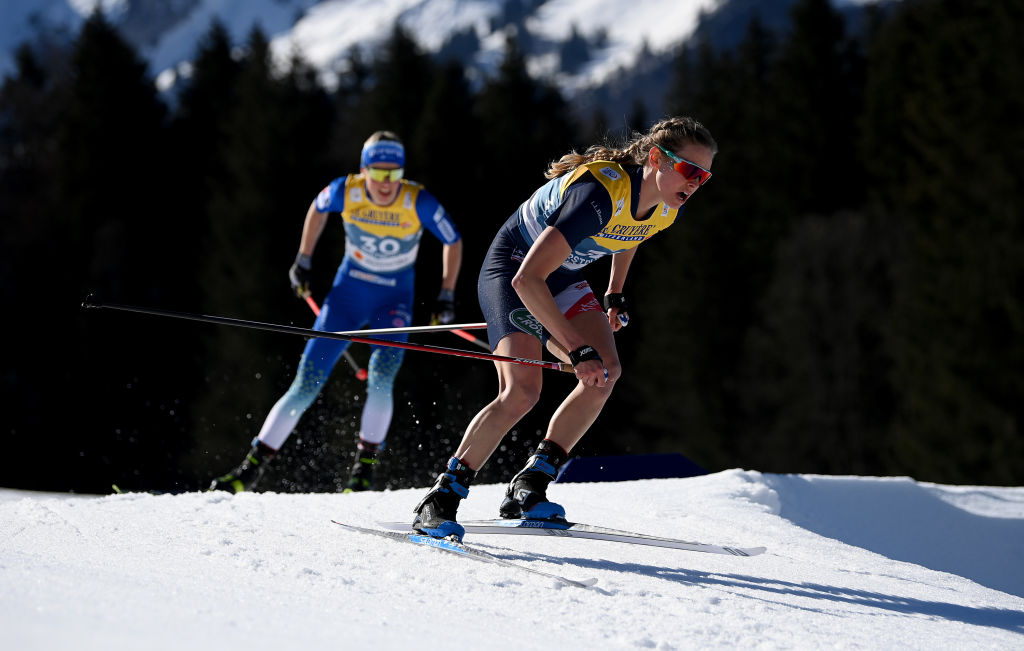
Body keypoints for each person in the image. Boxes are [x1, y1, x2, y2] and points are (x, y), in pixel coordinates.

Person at [411, 117, 717, 540]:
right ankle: (442, 497)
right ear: (656, 160)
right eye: (689, 170)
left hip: (561, 276)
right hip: (516, 268)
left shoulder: (666, 207)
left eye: (704, 176)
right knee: (522, 391)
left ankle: (530, 484)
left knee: (605, 374)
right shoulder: (597, 193)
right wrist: (576, 348)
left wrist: (614, 293)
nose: (696, 183)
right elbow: (526, 280)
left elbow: (632, 234)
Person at [210, 131, 463, 493]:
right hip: (346, 298)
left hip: (393, 304)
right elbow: (316, 208)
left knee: (381, 377)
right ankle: (249, 470)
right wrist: (303, 259)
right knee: (305, 384)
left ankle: (363, 473)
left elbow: (453, 240)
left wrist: (447, 295)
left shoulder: (416, 200)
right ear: (364, 170)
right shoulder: (348, 191)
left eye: (394, 174)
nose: (386, 183)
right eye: (379, 173)